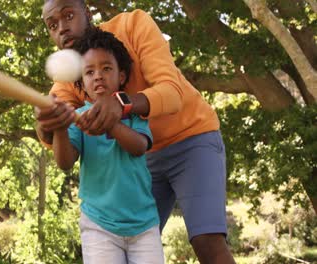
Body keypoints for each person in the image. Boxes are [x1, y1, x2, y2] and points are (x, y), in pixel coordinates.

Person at [37, 0, 236, 263]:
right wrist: (45, 123)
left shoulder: (133, 25)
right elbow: (55, 134)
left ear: (87, 13)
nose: (62, 29)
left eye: (69, 16)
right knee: (130, 245)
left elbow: (171, 92)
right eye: (52, 26)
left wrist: (121, 104)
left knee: (206, 241)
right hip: (141, 157)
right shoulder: (71, 76)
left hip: (192, 138)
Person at [53, 27, 164, 263]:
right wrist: (60, 128)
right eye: (89, 71)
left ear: (121, 76)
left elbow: (139, 147)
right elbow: (64, 162)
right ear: (82, 82)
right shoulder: (78, 117)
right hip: (98, 225)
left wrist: (110, 123)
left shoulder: (134, 115)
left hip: (143, 225)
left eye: (106, 68)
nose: (98, 76)